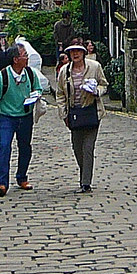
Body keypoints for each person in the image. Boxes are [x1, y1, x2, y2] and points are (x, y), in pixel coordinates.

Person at [0, 43, 41, 196]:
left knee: (25, 148)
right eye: (24, 55)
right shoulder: (2, 77)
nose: (27, 58)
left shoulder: (30, 73)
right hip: (7, 117)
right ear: (15, 59)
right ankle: (1, 183)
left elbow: (38, 88)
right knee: (4, 146)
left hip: (25, 116)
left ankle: (22, 177)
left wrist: (36, 95)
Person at [56, 42, 108, 193]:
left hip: (92, 112)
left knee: (88, 148)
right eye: (72, 52)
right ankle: (85, 173)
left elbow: (104, 85)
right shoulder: (64, 71)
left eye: (78, 51)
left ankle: (85, 183)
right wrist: (63, 113)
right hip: (75, 114)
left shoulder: (95, 67)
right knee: (77, 148)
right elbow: (60, 94)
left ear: (84, 53)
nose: (75, 54)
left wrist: (96, 91)